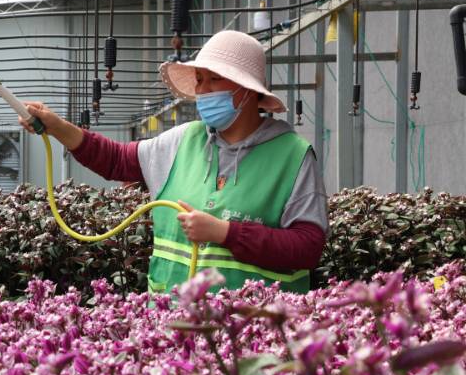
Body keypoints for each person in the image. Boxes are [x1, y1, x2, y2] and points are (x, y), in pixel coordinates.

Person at [20, 29, 327, 294]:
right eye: (199, 79)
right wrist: (57, 126)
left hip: (252, 337)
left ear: (246, 90)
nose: (202, 91)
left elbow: (307, 248)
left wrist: (225, 233)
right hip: (173, 332)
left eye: (214, 80)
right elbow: (115, 160)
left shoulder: (293, 156)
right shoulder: (182, 141)